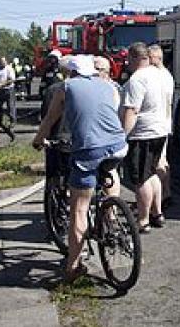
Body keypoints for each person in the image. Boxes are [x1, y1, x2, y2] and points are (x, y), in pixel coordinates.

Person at [32, 54, 126, 282]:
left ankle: (73, 267)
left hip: (88, 150)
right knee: (108, 176)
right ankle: (109, 218)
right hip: (118, 146)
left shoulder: (65, 87)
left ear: (71, 72)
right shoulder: (108, 86)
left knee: (79, 208)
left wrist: (38, 140)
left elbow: (50, 119)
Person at [121, 42, 172, 233]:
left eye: (128, 59)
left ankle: (143, 220)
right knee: (152, 173)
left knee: (140, 179)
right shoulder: (159, 74)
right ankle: (157, 213)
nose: (127, 63)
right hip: (160, 130)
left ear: (134, 57)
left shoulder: (137, 80)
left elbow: (132, 111)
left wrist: (122, 136)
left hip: (142, 134)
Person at [148, 43, 175, 207]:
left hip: (158, 125)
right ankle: (166, 193)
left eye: (149, 57)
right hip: (163, 124)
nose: (147, 61)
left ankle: (161, 197)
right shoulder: (166, 75)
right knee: (162, 161)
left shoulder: (160, 76)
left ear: (157, 58)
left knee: (157, 164)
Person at [0, 56, 17, 138]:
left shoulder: (9, 69)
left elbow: (11, 80)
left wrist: (3, 84)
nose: (2, 63)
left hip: (9, 90)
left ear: (6, 62)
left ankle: (12, 121)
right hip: (0, 90)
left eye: (3, 62)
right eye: (0, 62)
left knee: (10, 106)